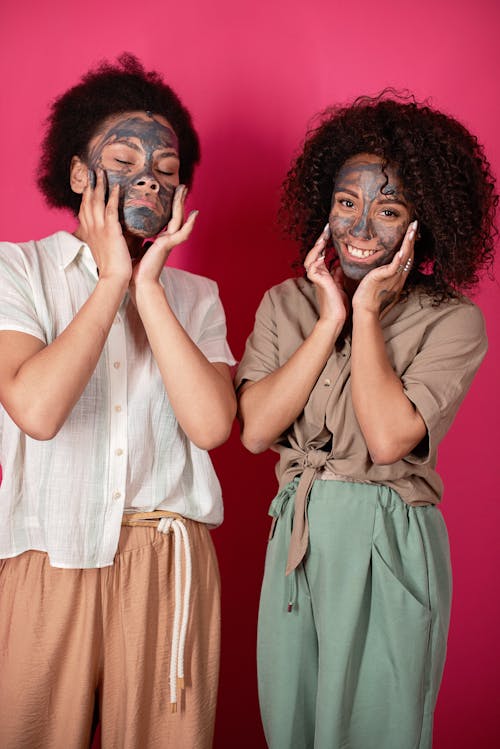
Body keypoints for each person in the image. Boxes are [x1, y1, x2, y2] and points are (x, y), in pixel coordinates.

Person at [236, 93, 497, 749]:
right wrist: (330, 318)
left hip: (389, 539)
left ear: (423, 224)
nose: (360, 224)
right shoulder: (286, 304)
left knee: (377, 726)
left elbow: (386, 440)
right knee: (291, 722)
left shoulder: (453, 321)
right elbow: (256, 429)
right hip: (297, 536)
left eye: (389, 210)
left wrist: (371, 312)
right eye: (347, 202)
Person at [0, 54, 236, 749]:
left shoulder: (198, 298)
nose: (146, 178)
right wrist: (110, 280)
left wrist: (150, 288)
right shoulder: (19, 268)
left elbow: (213, 424)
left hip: (169, 566)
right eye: (124, 157)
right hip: (48, 554)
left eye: (165, 170)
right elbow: (36, 410)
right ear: (78, 174)